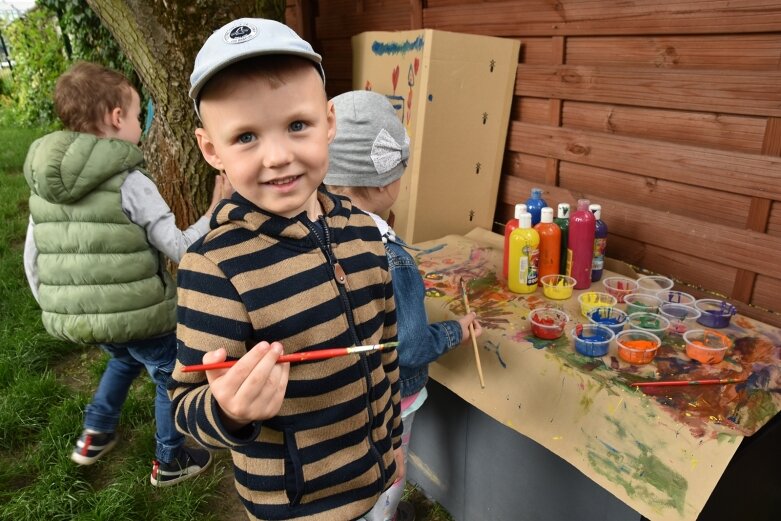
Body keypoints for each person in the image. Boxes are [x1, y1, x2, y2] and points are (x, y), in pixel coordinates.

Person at [169, 18, 404, 520]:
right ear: (212, 150)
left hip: (379, 478)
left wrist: (394, 442)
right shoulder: (214, 267)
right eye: (246, 137)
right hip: (295, 507)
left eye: (297, 125)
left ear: (329, 121)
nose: (278, 157)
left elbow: (385, 354)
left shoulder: (365, 231)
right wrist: (228, 411)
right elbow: (184, 406)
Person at [22, 61, 227, 487]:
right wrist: (214, 210)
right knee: (171, 375)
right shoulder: (129, 181)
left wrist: (54, 303)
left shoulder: (43, 185)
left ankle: (95, 432)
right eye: (138, 117)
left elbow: (33, 255)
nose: (140, 125)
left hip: (86, 318)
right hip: (141, 314)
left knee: (121, 358)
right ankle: (170, 460)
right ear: (117, 118)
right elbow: (181, 249)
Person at [324, 90, 482, 521]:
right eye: (400, 172)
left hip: (342, 394)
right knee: (390, 472)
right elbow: (410, 347)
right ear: (381, 181)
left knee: (351, 470)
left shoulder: (318, 234)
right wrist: (457, 330)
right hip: (393, 396)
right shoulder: (392, 257)